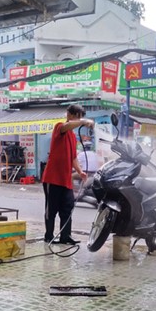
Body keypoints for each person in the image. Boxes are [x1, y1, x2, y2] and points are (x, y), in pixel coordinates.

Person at [41, 104, 95, 245]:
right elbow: (67, 126)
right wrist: (83, 122)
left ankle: (65, 236)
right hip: (52, 178)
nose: (79, 119)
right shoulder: (60, 127)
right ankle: (49, 236)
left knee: (67, 207)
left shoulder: (73, 137)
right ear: (69, 115)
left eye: (80, 117)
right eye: (77, 116)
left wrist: (79, 171)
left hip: (66, 180)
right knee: (51, 209)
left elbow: (73, 158)